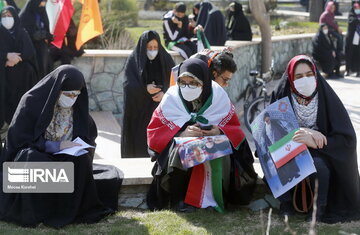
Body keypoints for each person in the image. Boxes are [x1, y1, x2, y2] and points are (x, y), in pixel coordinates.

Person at [0, 65, 122, 228]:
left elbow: (88, 136)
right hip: (37, 152)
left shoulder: (77, 108)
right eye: (68, 94)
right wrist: (55, 146)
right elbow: (19, 140)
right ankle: (37, 212)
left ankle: (69, 212)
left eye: (76, 95)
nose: (72, 98)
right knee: (31, 158)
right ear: (57, 89)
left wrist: (79, 146)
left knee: (81, 160)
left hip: (64, 155)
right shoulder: (31, 103)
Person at [146, 58, 257, 212]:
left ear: (204, 81)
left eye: (193, 83)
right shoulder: (171, 97)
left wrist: (219, 130)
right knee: (180, 150)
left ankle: (215, 198)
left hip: (212, 144)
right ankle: (179, 200)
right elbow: (155, 131)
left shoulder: (218, 95)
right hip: (180, 150)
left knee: (222, 148)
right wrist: (181, 133)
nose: (187, 87)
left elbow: (235, 129)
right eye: (182, 82)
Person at [272, 55, 360, 223]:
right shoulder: (281, 94)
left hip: (319, 148)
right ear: (290, 77)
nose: (305, 80)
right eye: (298, 76)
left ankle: (318, 210)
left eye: (309, 74)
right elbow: (271, 129)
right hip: (290, 143)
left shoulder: (326, 96)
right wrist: (306, 132)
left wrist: (316, 141)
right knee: (275, 157)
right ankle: (285, 204)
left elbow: (346, 138)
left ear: (315, 74)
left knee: (319, 166)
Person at [122, 30, 175, 158]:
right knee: (139, 142)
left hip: (160, 109)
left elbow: (175, 82)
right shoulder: (134, 60)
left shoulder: (165, 59)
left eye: (155, 47)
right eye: (149, 47)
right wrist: (145, 89)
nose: (152, 50)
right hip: (139, 110)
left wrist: (164, 93)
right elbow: (128, 85)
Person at [0, 6, 38, 134]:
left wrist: (17, 58)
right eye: (4, 16)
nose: (7, 19)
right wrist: (6, 57)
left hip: (22, 78)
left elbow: (30, 51)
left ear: (15, 17)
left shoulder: (22, 32)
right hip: (4, 78)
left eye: (9, 16)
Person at [20, 0, 53, 79]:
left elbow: (46, 28)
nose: (43, 4)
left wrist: (48, 36)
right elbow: (26, 33)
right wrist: (42, 35)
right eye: (41, 2)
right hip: (29, 50)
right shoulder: (25, 16)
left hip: (42, 49)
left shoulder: (42, 13)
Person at [345, 2, 360, 77]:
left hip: (358, 38)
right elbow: (352, 21)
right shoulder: (351, 14)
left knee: (357, 55)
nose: (357, 9)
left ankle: (358, 71)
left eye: (358, 8)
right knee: (349, 54)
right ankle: (347, 70)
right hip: (351, 38)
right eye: (356, 8)